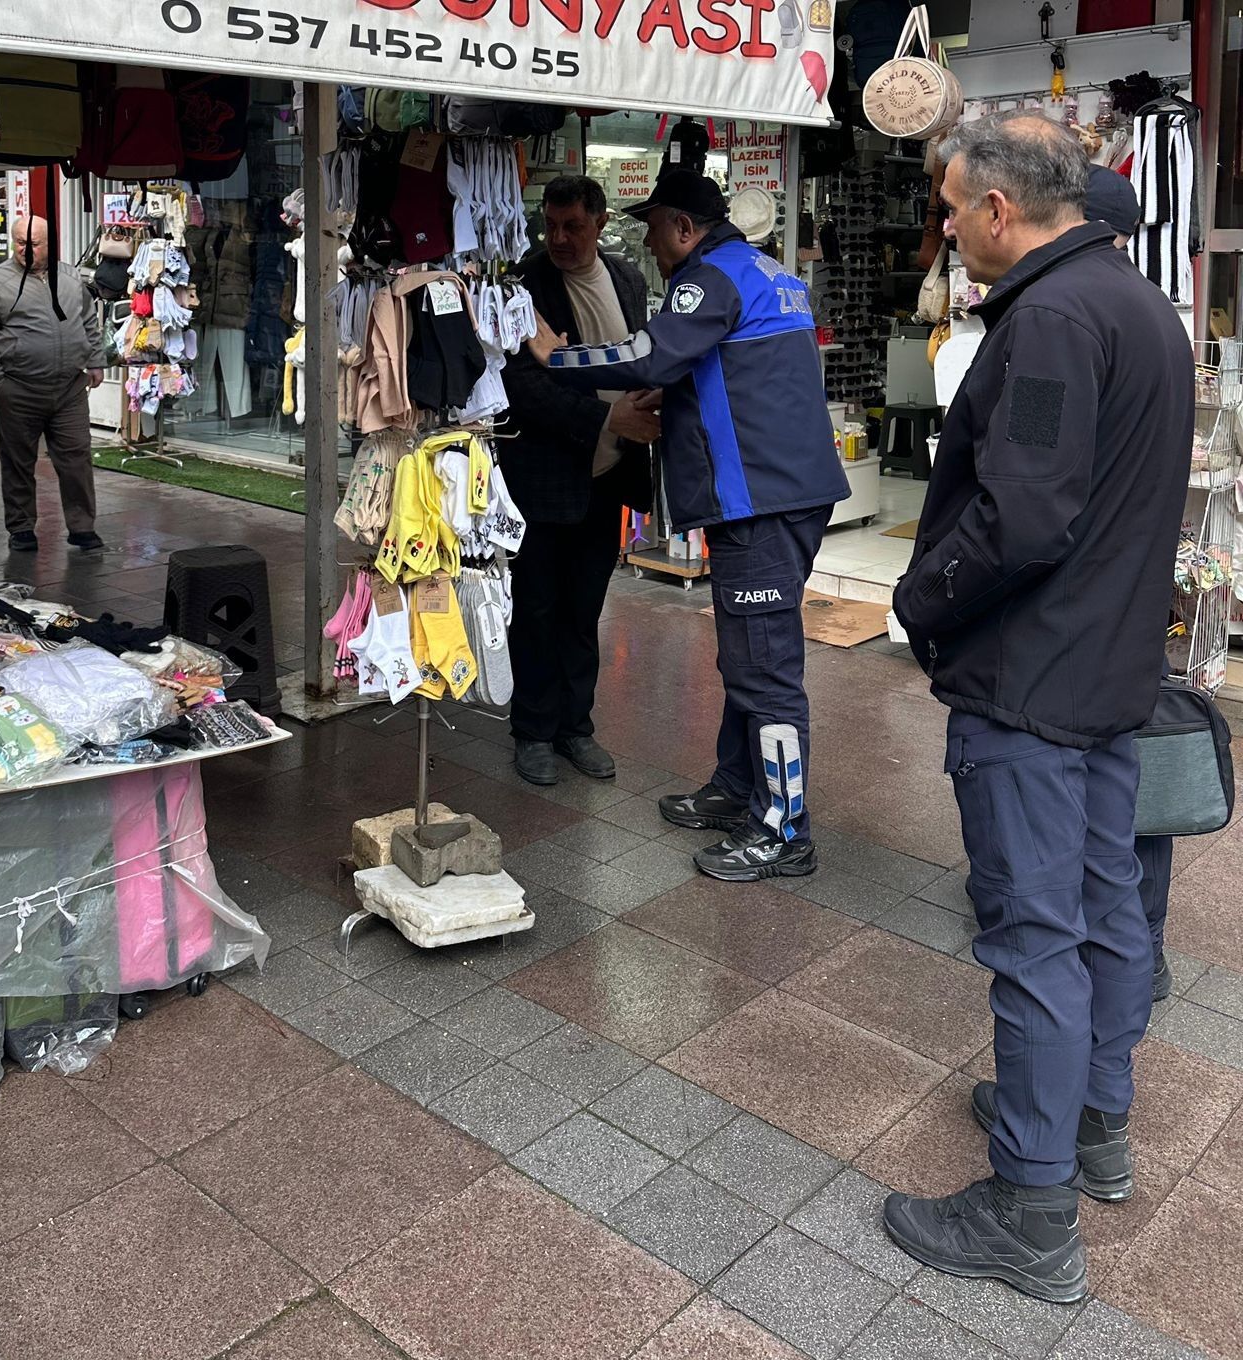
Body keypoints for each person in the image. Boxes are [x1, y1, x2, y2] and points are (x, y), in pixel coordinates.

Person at [886, 114, 1192, 1303]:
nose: (947, 228)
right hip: (1109, 670)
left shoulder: (1056, 318)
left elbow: (1026, 513)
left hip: (1040, 683)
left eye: (952, 209)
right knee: (1109, 909)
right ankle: (1089, 1125)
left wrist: (922, 600)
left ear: (1000, 211)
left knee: (1038, 934)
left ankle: (1030, 1206)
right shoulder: (1135, 303)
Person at [527, 170, 848, 880]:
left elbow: (647, 352)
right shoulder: (767, 270)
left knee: (765, 670)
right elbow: (728, 371)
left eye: (652, 226)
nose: (645, 241)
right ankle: (739, 788)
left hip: (761, 502)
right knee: (746, 658)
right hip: (782, 493)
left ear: (683, 227)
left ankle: (784, 828)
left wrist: (559, 357)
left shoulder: (712, 278)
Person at [501, 176, 659, 786]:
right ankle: (533, 732)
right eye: (552, 225)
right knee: (537, 606)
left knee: (585, 606)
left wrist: (650, 401)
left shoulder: (628, 279)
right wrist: (604, 415)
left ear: (598, 223)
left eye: (573, 226)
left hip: (611, 473)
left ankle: (576, 727)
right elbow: (521, 385)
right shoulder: (526, 283)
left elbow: (638, 355)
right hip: (545, 475)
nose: (560, 239)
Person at [1084, 162, 1178, 1004]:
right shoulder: (1158, 315)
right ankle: (1143, 939)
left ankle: (1131, 948)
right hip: (1139, 599)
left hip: (1093, 611)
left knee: (1110, 799)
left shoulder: (1077, 315)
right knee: (1132, 786)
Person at [0, 215, 104, 554]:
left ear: (50, 243)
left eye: (34, 243)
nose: (26, 250)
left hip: (70, 387)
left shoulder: (71, 276)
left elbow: (88, 320)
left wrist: (96, 360)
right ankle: (21, 528)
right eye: (20, 242)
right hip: (19, 387)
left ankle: (82, 527)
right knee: (18, 461)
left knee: (76, 458)